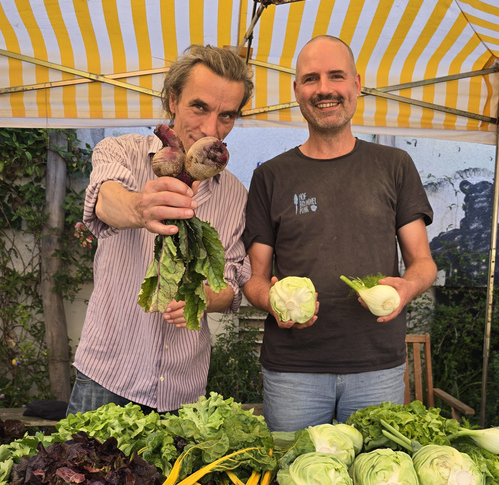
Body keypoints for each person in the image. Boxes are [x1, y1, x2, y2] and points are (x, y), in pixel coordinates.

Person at [242, 35, 437, 431]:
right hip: (293, 372)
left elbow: (423, 262)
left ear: (357, 84)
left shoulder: (395, 165)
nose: (324, 89)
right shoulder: (270, 176)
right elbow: (254, 279)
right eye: (311, 78)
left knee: (376, 470)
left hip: (377, 366)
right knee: (295, 469)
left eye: (336, 76)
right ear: (296, 90)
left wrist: (407, 288)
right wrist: (274, 304)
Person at [66, 44, 253, 416]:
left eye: (227, 115)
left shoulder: (234, 194)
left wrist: (202, 297)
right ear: (172, 99)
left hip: (183, 387)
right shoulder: (120, 151)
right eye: (199, 107)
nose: (211, 129)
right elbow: (105, 200)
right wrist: (140, 207)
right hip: (108, 374)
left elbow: (231, 285)